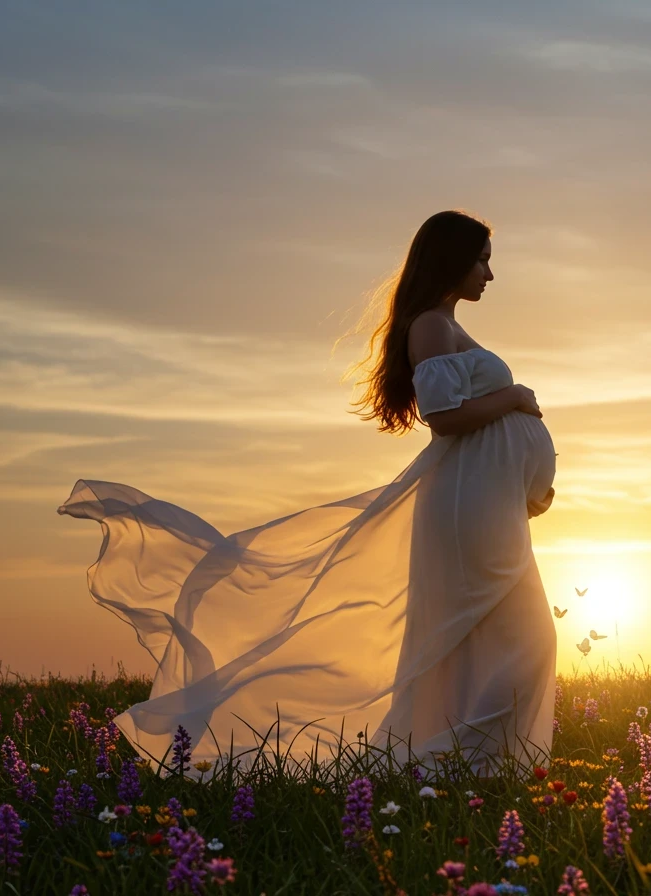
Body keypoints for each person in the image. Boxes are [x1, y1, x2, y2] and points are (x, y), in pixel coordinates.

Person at [57, 209, 559, 782]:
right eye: (482, 261)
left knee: (497, 639)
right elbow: (444, 417)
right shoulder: (431, 327)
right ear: (453, 259)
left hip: (483, 507)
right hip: (463, 512)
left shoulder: (446, 325)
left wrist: (521, 480)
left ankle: (467, 770)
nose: (489, 276)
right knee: (521, 639)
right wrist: (516, 398)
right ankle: (462, 767)